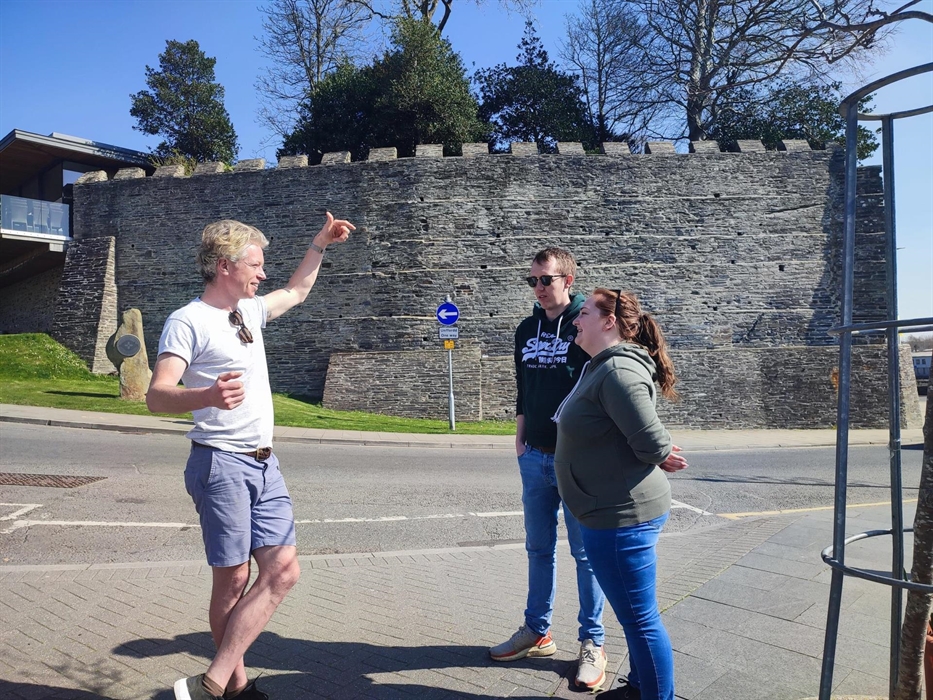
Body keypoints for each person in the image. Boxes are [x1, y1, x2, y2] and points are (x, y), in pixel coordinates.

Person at [146, 214, 354, 700]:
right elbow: (157, 396)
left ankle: (212, 684)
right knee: (234, 580)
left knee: (283, 571)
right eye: (255, 265)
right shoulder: (187, 321)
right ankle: (233, 688)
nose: (262, 275)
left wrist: (319, 244)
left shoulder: (248, 312)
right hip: (220, 462)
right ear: (225, 266)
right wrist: (207, 397)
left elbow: (297, 291)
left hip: (265, 462)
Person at [552, 288, 688, 700]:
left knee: (641, 621)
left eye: (585, 312)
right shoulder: (601, 366)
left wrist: (660, 451)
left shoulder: (617, 372)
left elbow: (647, 439)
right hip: (608, 513)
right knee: (635, 618)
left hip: (621, 519)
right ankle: (642, 687)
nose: (576, 319)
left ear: (609, 322)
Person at [489, 247, 608, 692]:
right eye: (533, 281)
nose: (539, 289)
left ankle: (592, 642)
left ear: (568, 280)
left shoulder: (587, 323)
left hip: (576, 459)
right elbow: (524, 385)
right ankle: (536, 631)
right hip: (535, 456)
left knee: (586, 556)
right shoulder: (525, 329)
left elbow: (604, 382)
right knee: (539, 549)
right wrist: (519, 435)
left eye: (547, 280)